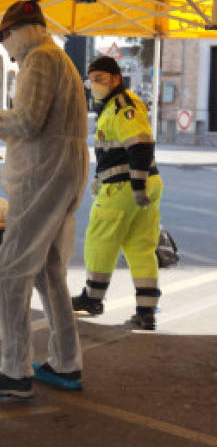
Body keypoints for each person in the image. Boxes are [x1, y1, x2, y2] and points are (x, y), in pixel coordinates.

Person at [0, 0, 89, 398]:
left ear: (19, 31)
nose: (6, 49)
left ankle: (14, 371)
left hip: (42, 174)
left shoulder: (40, 59)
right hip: (62, 172)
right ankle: (66, 363)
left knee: (13, 270)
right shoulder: (60, 59)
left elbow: (28, 120)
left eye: (5, 38)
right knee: (49, 271)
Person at [72, 56, 163, 330]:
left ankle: (93, 299)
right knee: (140, 247)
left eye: (101, 79)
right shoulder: (112, 107)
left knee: (99, 239)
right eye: (92, 80)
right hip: (138, 184)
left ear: (116, 79)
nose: (95, 84)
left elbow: (140, 144)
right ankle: (146, 310)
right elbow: (118, 149)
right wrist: (101, 177)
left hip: (125, 187)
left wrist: (136, 186)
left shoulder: (123, 106)